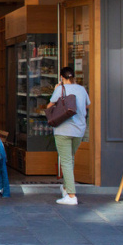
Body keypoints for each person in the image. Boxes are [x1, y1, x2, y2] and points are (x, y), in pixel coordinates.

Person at [46, 66, 91, 206]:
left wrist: (56, 90)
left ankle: (71, 195)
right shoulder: (82, 89)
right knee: (70, 158)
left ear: (62, 77)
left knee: (65, 160)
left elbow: (49, 107)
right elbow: (88, 105)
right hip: (79, 130)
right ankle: (66, 188)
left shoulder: (60, 89)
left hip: (63, 130)